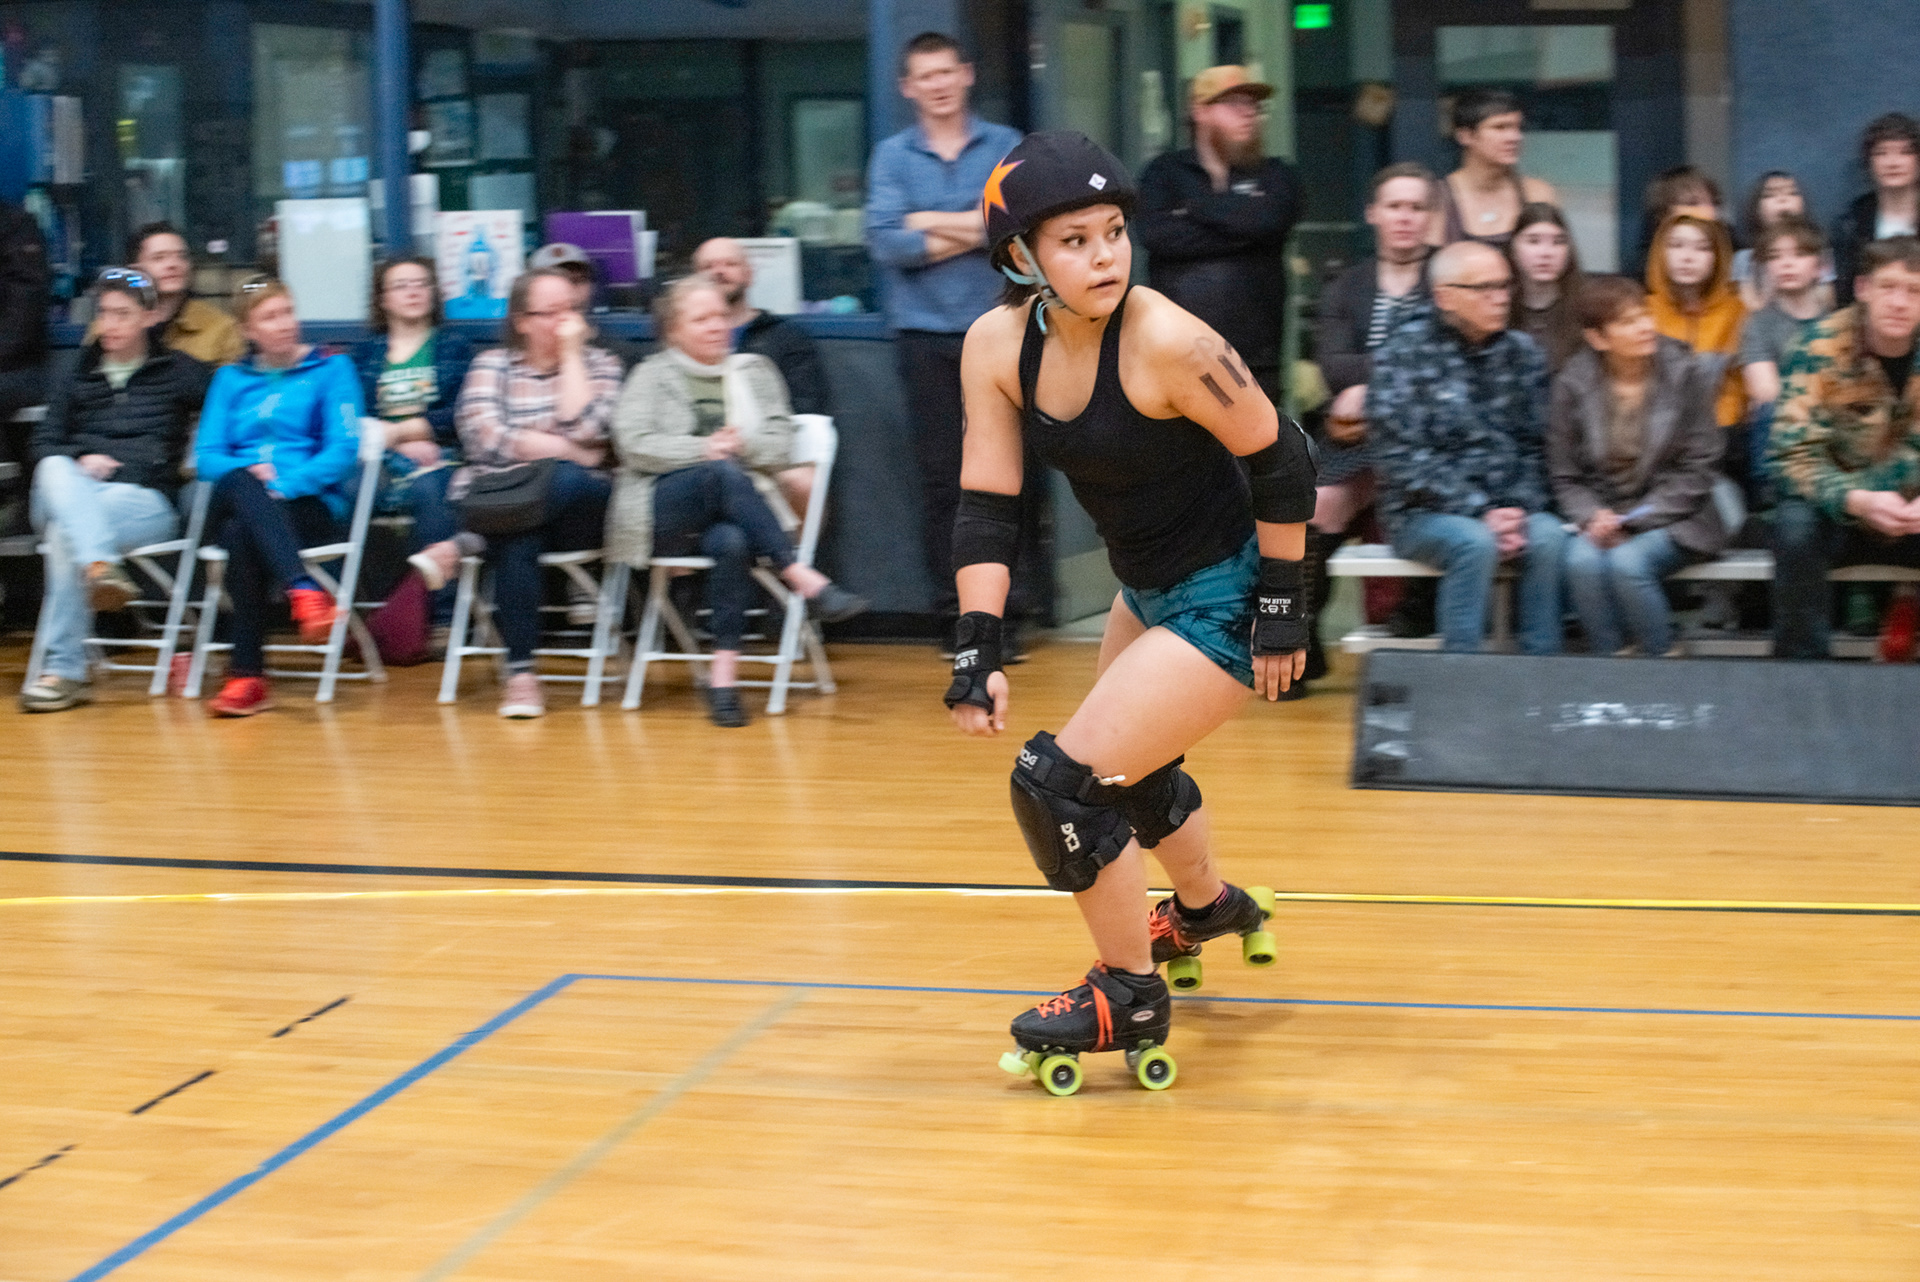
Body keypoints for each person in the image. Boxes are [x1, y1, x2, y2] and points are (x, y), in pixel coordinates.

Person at [944, 131, 1315, 1091]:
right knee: (1131, 772)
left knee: (1062, 785)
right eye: (1075, 241)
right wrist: (976, 643)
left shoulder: (1168, 340)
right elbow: (987, 504)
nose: (1107, 256)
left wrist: (1284, 602)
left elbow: (1283, 458)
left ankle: (1129, 992)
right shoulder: (996, 346)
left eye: (1114, 231)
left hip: (1228, 593)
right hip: (1145, 589)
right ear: (1022, 256)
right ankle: (1205, 906)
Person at [610, 276, 868, 728]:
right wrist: (704, 449)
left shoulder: (755, 371)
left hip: (738, 514)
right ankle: (797, 573)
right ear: (674, 330)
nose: (717, 326)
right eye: (701, 319)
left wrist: (741, 445)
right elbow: (633, 444)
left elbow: (781, 444)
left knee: (730, 540)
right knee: (720, 471)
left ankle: (723, 681)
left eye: (721, 316)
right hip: (662, 510)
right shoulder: (651, 375)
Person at [863, 31, 1023, 632]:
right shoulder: (892, 156)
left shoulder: (1004, 145)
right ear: (908, 87)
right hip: (924, 339)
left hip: (1001, 332)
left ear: (967, 74)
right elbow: (887, 241)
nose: (938, 85)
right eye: (925, 76)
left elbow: (1013, 228)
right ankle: (956, 613)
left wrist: (927, 219)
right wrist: (976, 227)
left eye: (946, 72)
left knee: (1009, 477)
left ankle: (1010, 611)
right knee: (943, 482)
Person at [19, 269, 208, 712]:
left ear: (150, 317)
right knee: (53, 465)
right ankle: (101, 565)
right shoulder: (77, 371)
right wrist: (81, 456)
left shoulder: (178, 371)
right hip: (69, 491)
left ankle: (64, 672)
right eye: (104, 313)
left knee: (66, 536)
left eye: (122, 314)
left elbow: (234, 401)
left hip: (141, 500)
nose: (110, 324)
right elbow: (42, 444)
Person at [439, 268, 624, 718]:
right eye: (552, 313)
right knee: (520, 531)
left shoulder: (602, 365)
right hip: (507, 506)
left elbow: (593, 429)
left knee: (566, 480)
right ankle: (521, 677)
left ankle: (466, 543)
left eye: (573, 310)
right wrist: (568, 451)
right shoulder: (492, 365)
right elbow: (483, 436)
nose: (567, 321)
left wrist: (573, 355)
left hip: (579, 512)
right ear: (522, 320)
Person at [1369, 241, 1567, 655]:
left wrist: (1517, 509)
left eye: (1505, 286)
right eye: (1485, 288)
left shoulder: (1522, 353)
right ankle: (1460, 673)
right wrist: (1480, 510)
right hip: (1423, 513)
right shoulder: (1402, 354)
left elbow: (1537, 446)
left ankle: (1543, 670)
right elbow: (1401, 459)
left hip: (1510, 506)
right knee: (1473, 543)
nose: (1501, 298)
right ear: (1445, 296)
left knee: (1549, 536)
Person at [193, 278, 365, 717]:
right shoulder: (229, 379)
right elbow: (207, 456)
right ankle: (303, 590)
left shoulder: (332, 369)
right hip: (236, 494)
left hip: (306, 505)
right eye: (270, 317)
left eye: (288, 311)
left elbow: (343, 449)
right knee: (240, 483)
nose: (285, 323)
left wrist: (284, 486)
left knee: (241, 532)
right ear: (248, 330)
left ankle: (248, 676)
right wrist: (249, 478)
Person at [1304, 161, 1435, 691]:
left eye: (1417, 207)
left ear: (1431, 218)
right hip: (1356, 433)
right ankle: (1299, 639)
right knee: (1319, 503)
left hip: (1431, 432)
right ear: (1373, 213)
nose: (1405, 217)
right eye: (1395, 206)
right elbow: (1334, 367)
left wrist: (1372, 385)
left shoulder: (1450, 277)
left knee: (1429, 490)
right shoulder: (1347, 285)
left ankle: (1414, 615)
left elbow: (1444, 365)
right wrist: (1398, 372)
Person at [1549, 276, 1727, 657]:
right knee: (1580, 562)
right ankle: (1614, 663)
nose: (1646, 326)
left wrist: (1632, 521)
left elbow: (1700, 466)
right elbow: (1566, 476)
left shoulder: (1684, 372)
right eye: (1629, 322)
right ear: (1598, 338)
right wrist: (1593, 515)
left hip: (1678, 514)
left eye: (1645, 314)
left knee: (1626, 563)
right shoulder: (1572, 382)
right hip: (1605, 514)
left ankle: (1663, 661)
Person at [1769, 237, 1920, 660]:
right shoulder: (1817, 347)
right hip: (1840, 512)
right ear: (1863, 289)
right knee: (1794, 525)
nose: (1900, 303)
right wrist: (1858, 500)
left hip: (1914, 511)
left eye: (1914, 291)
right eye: (1888, 287)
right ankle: (1802, 672)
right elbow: (1790, 457)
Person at [1135, 65, 1303, 399]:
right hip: (1178, 358)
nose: (1249, 113)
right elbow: (1155, 235)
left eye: (1253, 104)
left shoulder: (1277, 175)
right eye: (1234, 103)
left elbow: (1268, 222)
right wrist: (1245, 230)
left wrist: (1194, 208)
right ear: (1200, 110)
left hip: (1256, 364)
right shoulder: (1164, 173)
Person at [350, 257, 474, 629]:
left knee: (432, 491)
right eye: (401, 285)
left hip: (442, 454)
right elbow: (351, 417)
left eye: (421, 283)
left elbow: (461, 413)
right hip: (379, 457)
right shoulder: (365, 353)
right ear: (383, 299)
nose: (413, 292)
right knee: (347, 490)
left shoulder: (453, 346)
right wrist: (397, 442)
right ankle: (359, 614)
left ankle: (442, 618)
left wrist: (397, 431)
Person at [692, 235, 833, 515]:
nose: (719, 272)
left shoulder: (785, 338)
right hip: (699, 458)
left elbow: (805, 413)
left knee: (806, 481)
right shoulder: (682, 341)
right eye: (708, 266)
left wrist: (750, 445)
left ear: (749, 273)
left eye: (729, 264)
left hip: (769, 456)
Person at [1737, 218, 1831, 508]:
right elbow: (1765, 391)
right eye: (1776, 256)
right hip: (1780, 437)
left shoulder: (1838, 322)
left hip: (1831, 435)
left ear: (1819, 266)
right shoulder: (1757, 324)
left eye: (1799, 254)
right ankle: (1773, 491)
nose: (1786, 264)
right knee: (1768, 409)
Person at [1646, 210, 1748, 435]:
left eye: (1702, 248)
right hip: (1654, 436)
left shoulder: (1737, 312)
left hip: (1723, 434)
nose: (1687, 257)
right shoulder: (1643, 311)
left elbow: (1740, 389)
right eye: (1676, 245)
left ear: (1718, 257)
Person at [1430, 88, 1557, 250]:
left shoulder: (1537, 194)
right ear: (1465, 136)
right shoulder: (1438, 198)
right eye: (1500, 127)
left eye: (1518, 128)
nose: (1514, 137)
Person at [126, 222, 246, 366]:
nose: (173, 264)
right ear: (136, 272)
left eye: (181, 256)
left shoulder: (221, 329)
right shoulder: (114, 324)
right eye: (159, 258)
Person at [1834, 114, 1920, 308]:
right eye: (1881, 153)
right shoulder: (1851, 223)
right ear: (1869, 162)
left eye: (1905, 152)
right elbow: (1846, 295)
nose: (1893, 163)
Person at [527, 242, 647, 372]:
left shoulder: (620, 354)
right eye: (557, 283)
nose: (570, 290)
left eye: (579, 280)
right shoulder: (516, 360)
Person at [1733, 171, 1832, 313]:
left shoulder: (1818, 250)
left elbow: (1827, 302)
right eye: (1770, 195)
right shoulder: (1745, 259)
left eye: (1792, 193)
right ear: (1756, 207)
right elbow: (1748, 309)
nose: (1782, 199)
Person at [1507, 202, 1586, 374]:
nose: (1546, 253)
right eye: (1533, 241)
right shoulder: (1500, 309)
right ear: (1513, 249)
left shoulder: (1587, 309)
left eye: (1558, 242)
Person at [1630, 166, 1723, 279]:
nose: (1708, 210)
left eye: (1714, 202)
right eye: (1692, 203)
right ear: (1664, 213)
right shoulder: (1644, 271)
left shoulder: (1731, 248)